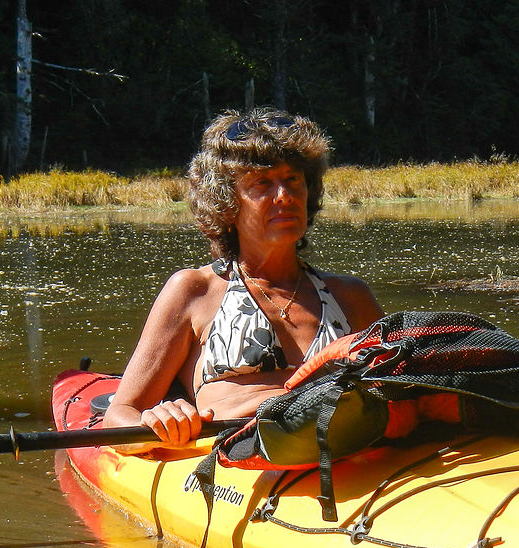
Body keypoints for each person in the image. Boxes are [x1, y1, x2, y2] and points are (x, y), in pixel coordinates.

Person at [104, 108, 384, 448]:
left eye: (293, 179)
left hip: (343, 451)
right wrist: (158, 421)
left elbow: (401, 392)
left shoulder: (351, 295)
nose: (285, 195)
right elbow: (120, 415)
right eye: (262, 183)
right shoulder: (195, 291)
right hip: (237, 458)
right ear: (226, 203)